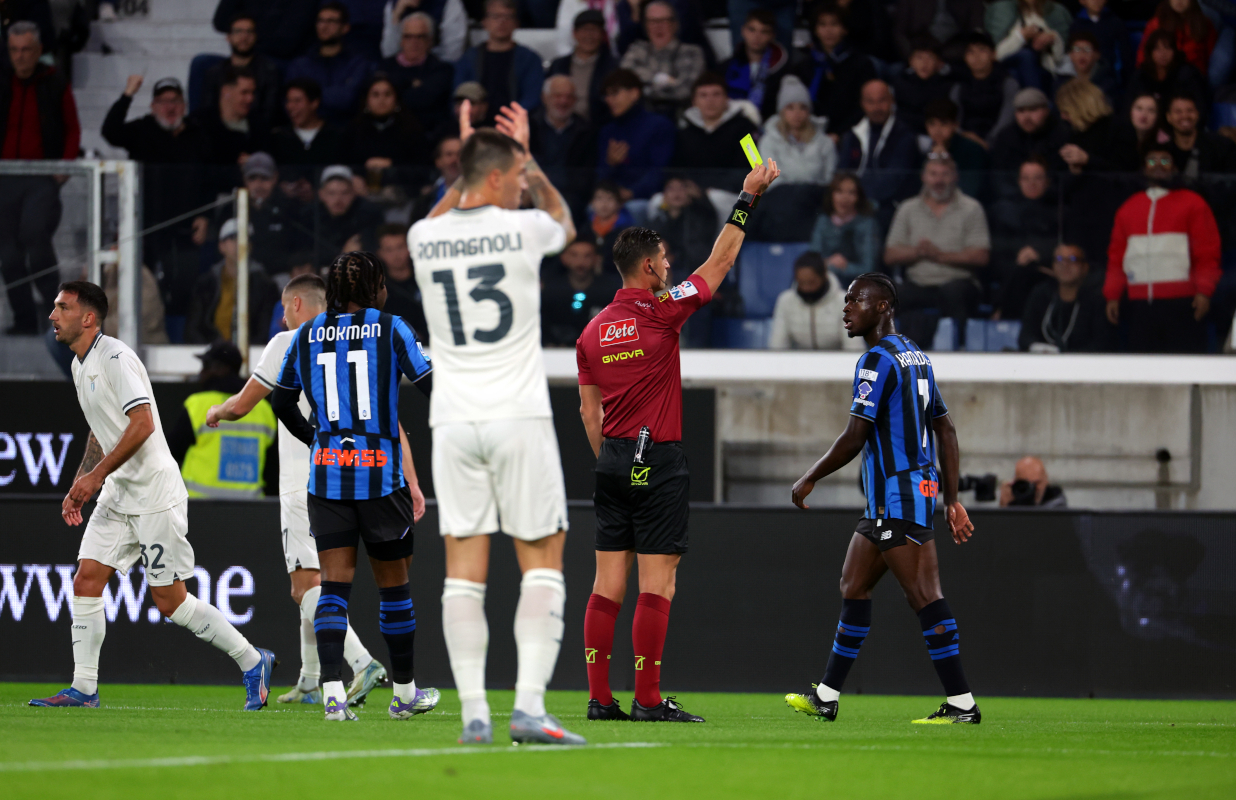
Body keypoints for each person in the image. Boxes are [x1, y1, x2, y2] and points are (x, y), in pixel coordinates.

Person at [578, 159, 781, 723]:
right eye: (665, 260)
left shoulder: (592, 330)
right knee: (658, 584)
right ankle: (646, 700)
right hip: (655, 456)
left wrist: (613, 461)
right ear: (647, 266)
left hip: (613, 458)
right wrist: (746, 196)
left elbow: (587, 411)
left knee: (605, 583)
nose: (670, 266)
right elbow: (721, 262)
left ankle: (599, 700)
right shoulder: (662, 311)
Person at [408, 104, 584, 745]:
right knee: (543, 560)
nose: (517, 186)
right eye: (510, 177)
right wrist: (528, 156)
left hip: (452, 423)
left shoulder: (423, 240)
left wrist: (469, 160)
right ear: (496, 178)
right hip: (518, 416)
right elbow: (566, 222)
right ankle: (529, 709)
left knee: (463, 569)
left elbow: (436, 217)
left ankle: (475, 714)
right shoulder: (525, 229)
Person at [32, 281, 275, 709]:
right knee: (87, 578)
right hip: (119, 491)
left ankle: (252, 659)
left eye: (62, 307)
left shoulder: (117, 358)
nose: (53, 315)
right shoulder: (79, 365)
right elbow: (100, 428)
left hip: (154, 494)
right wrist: (81, 480)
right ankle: (84, 687)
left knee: (170, 601)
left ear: (88, 318)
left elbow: (142, 424)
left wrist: (96, 476)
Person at [205, 274, 406, 708]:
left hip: (303, 482)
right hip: (351, 477)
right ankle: (311, 680)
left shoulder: (289, 341)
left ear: (297, 303)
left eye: (283, 308)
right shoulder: (353, 343)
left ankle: (361, 661)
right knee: (318, 580)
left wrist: (217, 410)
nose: (281, 316)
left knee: (306, 585)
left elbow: (243, 404)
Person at [787, 273, 979, 725]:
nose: (846, 306)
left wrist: (808, 477)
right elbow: (945, 428)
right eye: (848, 299)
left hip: (899, 498)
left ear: (883, 307)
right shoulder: (916, 356)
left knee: (925, 596)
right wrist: (951, 499)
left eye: (857, 299)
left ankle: (962, 704)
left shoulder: (876, 361)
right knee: (853, 585)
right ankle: (828, 696)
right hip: (891, 501)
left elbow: (856, 435)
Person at [270, 251, 439, 723]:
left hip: (327, 477)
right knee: (394, 589)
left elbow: (281, 401)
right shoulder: (390, 327)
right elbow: (432, 387)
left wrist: (316, 437)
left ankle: (331, 693)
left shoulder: (305, 334)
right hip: (381, 479)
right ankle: (404, 694)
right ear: (376, 288)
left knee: (333, 587)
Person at [101, 75, 211, 330]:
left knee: (184, 286)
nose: (169, 107)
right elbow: (110, 131)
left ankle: (178, 339)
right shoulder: (142, 130)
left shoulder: (197, 134)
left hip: (186, 230)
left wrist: (205, 216)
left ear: (184, 104)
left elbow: (209, 179)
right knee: (146, 288)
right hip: (146, 228)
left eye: (174, 101)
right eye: (162, 101)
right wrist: (128, 93)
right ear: (152, 106)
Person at [0, 22, 80, 335]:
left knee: (34, 237)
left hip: (41, 178)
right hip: (4, 177)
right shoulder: (2, 80)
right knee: (7, 255)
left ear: (38, 51)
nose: (20, 57)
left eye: (26, 50)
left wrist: (65, 166)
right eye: (14, 50)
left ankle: (56, 316)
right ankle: (24, 320)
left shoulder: (54, 81)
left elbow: (72, 128)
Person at [1105, 147, 1220, 353]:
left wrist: (1204, 292)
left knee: (1185, 367)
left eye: (1165, 161)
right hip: (1139, 305)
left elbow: (1207, 252)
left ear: (1175, 168)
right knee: (1144, 372)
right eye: (1152, 161)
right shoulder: (1128, 208)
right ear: (1143, 169)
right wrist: (1113, 295)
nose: (1158, 165)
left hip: (1183, 303)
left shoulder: (1193, 203)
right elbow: (1117, 256)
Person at [884, 155, 990, 347]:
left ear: (955, 177)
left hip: (959, 283)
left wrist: (940, 256)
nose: (939, 180)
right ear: (924, 177)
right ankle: (896, 357)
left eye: (945, 174)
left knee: (953, 292)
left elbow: (981, 255)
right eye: (933, 174)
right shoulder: (908, 208)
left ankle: (960, 349)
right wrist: (919, 252)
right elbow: (890, 254)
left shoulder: (971, 208)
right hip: (918, 283)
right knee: (889, 294)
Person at [167, 339, 276, 499]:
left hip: (200, 507)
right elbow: (273, 468)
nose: (201, 373)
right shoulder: (262, 408)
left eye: (206, 366)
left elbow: (171, 451)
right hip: (251, 512)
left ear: (221, 368)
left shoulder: (198, 404)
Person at [836, 79, 921, 232]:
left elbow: (892, 181)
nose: (876, 107)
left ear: (891, 101)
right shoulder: (852, 136)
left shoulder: (905, 136)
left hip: (889, 208)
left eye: (882, 100)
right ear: (862, 103)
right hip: (854, 205)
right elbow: (843, 174)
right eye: (870, 102)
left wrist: (856, 198)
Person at [185, 218, 280, 345]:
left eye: (245, 238)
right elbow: (192, 329)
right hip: (213, 354)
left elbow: (264, 332)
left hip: (250, 355)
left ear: (250, 246)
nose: (239, 243)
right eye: (233, 238)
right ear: (221, 246)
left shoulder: (265, 285)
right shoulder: (206, 283)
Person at [793, 2, 877, 138]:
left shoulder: (861, 64)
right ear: (815, 29)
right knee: (756, 154)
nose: (828, 30)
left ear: (844, 29)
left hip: (847, 136)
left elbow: (862, 107)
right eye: (823, 25)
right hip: (806, 135)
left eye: (834, 24)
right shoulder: (803, 66)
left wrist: (840, 134)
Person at [285, 3, 376, 124]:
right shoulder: (299, 65)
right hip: (305, 129)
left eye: (331, 21)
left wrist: (308, 96)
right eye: (320, 21)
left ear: (345, 27)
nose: (324, 26)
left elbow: (347, 100)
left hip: (345, 130)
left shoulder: (357, 63)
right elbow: (290, 104)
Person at [990, 158, 1057, 320]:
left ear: (1047, 181)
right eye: (1026, 178)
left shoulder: (1060, 210)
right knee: (1021, 273)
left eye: (1037, 178)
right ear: (1018, 181)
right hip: (1012, 272)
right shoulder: (1003, 209)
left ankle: (1000, 311)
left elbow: (1065, 244)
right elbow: (998, 248)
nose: (1031, 183)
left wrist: (1039, 252)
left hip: (1050, 273)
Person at [453, 0, 545, 119]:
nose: (502, 22)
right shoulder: (469, 58)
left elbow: (532, 98)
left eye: (507, 17)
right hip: (476, 125)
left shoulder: (530, 59)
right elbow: (459, 94)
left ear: (516, 23)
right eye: (495, 16)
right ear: (484, 22)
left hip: (515, 125)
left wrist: (510, 120)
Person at [595, 68, 677, 201]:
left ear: (634, 93)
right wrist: (610, 164)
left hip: (648, 199)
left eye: (614, 93)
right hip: (610, 200)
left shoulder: (659, 126)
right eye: (607, 95)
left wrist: (631, 192)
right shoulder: (607, 131)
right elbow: (599, 176)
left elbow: (660, 171)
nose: (609, 100)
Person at [339, 74, 428, 195]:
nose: (382, 100)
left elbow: (422, 170)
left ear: (396, 99)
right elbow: (341, 165)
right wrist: (353, 178)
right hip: (359, 196)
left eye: (387, 94)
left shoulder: (411, 129)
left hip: (401, 196)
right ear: (366, 100)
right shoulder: (353, 130)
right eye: (375, 95)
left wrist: (391, 165)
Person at [673, 73, 759, 193]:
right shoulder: (684, 133)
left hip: (734, 195)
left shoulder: (746, 128)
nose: (710, 100)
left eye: (716, 94)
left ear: (727, 98)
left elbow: (754, 165)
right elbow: (677, 170)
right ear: (694, 101)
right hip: (691, 194)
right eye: (703, 95)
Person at [1019, 244, 1112, 353]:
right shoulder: (1041, 294)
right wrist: (1039, 348)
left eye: (1072, 259)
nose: (1065, 264)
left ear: (1085, 267)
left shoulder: (1095, 300)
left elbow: (1101, 344)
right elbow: (1025, 336)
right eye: (1059, 259)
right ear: (1052, 265)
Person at [619, 1, 705, 117]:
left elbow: (685, 91)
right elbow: (625, 80)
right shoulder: (636, 50)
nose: (658, 26)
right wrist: (662, 79)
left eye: (664, 21)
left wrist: (644, 89)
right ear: (646, 26)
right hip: (642, 119)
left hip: (680, 118)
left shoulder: (691, 52)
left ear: (675, 24)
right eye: (653, 21)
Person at [530, 75, 597, 222]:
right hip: (533, 194)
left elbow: (587, 174)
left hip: (571, 197)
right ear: (544, 97)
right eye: (557, 96)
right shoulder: (530, 126)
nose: (563, 101)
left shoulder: (587, 131)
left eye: (569, 97)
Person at [201, 14, 282, 133]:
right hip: (218, 136)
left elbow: (269, 115)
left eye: (249, 32)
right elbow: (206, 113)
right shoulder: (213, 73)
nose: (244, 37)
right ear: (228, 37)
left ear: (255, 36)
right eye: (238, 31)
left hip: (255, 136)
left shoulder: (270, 71)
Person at [379, 12, 455, 135]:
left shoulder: (441, 69)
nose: (414, 42)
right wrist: (411, 83)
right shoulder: (385, 67)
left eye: (420, 37)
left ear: (430, 41)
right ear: (401, 40)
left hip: (426, 134)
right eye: (408, 36)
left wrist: (394, 91)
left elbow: (424, 99)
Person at [769, 250, 859, 351]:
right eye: (801, 283)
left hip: (837, 363)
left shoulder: (844, 302)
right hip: (798, 363)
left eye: (811, 282)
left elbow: (854, 347)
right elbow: (777, 347)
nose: (806, 288)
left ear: (824, 276)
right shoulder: (785, 301)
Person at [758, 75, 836, 186]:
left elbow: (830, 178)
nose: (797, 113)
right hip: (780, 198)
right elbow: (770, 180)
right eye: (790, 107)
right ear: (782, 111)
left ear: (809, 111)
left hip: (817, 198)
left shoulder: (825, 142)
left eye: (803, 107)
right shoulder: (768, 142)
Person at [541, 238, 620, 346]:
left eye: (587, 256)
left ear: (596, 259)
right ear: (564, 258)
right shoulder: (549, 291)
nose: (580, 261)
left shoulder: (610, 292)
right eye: (574, 255)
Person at [548, 9, 620, 126]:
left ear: (602, 35)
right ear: (574, 33)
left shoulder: (612, 66)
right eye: (584, 30)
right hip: (563, 127)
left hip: (598, 128)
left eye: (594, 30)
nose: (589, 35)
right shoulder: (558, 65)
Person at [192, 66, 264, 181]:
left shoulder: (258, 125)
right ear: (226, 91)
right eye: (244, 92)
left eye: (252, 93)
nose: (250, 99)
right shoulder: (200, 123)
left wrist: (255, 162)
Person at [949, 30, 1018, 144]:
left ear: (993, 54)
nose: (976, 56)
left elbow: (1007, 119)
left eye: (982, 50)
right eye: (970, 52)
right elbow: (954, 120)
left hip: (999, 141)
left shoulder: (1007, 83)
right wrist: (966, 137)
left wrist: (988, 141)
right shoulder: (959, 86)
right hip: (966, 141)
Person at [721, 9, 790, 121]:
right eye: (752, 30)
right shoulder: (725, 68)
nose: (757, 36)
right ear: (743, 31)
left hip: (771, 129)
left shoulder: (783, 71)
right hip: (734, 129)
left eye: (764, 32)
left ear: (772, 36)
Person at [809, 172, 878, 284]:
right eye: (839, 191)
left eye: (851, 193)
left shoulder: (867, 225)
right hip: (824, 283)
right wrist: (828, 263)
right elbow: (812, 260)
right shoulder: (823, 221)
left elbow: (868, 269)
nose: (844, 198)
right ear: (831, 195)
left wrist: (840, 266)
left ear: (858, 197)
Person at [269, 79, 346, 180]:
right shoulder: (278, 137)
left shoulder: (337, 136)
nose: (290, 106)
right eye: (289, 101)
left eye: (297, 101)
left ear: (314, 103)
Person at [986, 0, 1071, 90]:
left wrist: (1053, 39)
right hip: (1012, 72)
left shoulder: (1050, 14)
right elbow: (997, 55)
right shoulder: (1007, 12)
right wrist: (1021, 36)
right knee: (1026, 56)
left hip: (1046, 71)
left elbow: (1059, 58)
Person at [989, 87, 1071, 179]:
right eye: (1021, 111)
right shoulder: (1005, 137)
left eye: (1033, 109)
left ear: (1046, 110)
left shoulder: (1062, 134)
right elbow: (999, 177)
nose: (1026, 117)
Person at [311, 165, 384, 263]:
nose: (338, 200)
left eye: (344, 193)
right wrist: (343, 254)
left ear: (353, 193)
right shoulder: (309, 216)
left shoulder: (368, 214)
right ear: (321, 194)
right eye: (332, 193)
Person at [1124, 29, 1206, 111]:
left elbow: (1200, 106)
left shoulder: (1187, 74)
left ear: (1174, 50)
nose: (1163, 53)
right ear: (1150, 52)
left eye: (1167, 48)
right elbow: (1129, 106)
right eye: (1157, 49)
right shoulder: (1140, 76)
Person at [212, 0, 317, 63]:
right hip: (245, 58)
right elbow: (220, 22)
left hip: (280, 60)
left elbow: (286, 43)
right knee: (201, 62)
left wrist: (248, 38)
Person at [924, 98, 988, 200]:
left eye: (943, 123)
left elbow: (971, 189)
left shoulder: (973, 150)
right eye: (932, 124)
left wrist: (945, 159)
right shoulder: (924, 151)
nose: (937, 130)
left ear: (955, 125)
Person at [1163, 94, 1236, 180]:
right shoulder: (1163, 150)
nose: (1185, 116)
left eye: (1190, 110)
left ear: (1197, 114)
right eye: (1178, 112)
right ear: (1169, 117)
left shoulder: (1223, 146)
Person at [1137, 0, 1216, 77]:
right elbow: (1143, 57)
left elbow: (1211, 57)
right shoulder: (1156, 24)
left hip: (1193, 80)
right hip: (1161, 79)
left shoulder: (1204, 24)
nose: (1179, 1)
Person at [891, 38, 955, 135]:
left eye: (930, 57)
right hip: (906, 134)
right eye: (919, 57)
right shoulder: (901, 83)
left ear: (939, 63)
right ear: (911, 61)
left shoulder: (947, 86)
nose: (924, 63)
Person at [375, 224, 428, 338]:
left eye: (400, 247)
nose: (396, 254)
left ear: (410, 248)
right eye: (389, 249)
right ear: (380, 254)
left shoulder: (425, 280)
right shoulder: (375, 289)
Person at [892, 0, 985, 63]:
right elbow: (900, 33)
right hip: (919, 50)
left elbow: (976, 30)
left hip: (956, 51)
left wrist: (972, 53)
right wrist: (912, 57)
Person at [379, 0, 468, 63]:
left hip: (436, 67)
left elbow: (453, 54)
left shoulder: (449, 3)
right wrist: (396, 16)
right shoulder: (395, 4)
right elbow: (389, 52)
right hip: (401, 67)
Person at [1069, 0, 1134, 83]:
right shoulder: (1076, 26)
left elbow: (1126, 58)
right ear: (1082, 1)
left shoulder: (1116, 23)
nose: (1097, 1)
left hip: (1110, 80)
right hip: (1083, 79)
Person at [1055, 29, 1120, 104]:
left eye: (1087, 49)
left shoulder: (1108, 84)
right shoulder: (1060, 83)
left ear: (1097, 55)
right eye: (1077, 49)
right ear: (1070, 54)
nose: (1082, 53)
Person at [410, 136, 462, 223]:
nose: (454, 160)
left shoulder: (480, 195)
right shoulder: (426, 199)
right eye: (449, 154)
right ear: (438, 161)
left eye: (459, 154)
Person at [588, 182, 636, 269]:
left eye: (610, 199)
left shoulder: (627, 230)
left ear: (619, 203)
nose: (604, 204)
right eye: (599, 198)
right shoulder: (587, 226)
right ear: (592, 203)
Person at [998, 455, 1067, 506]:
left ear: (1046, 480)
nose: (1033, 489)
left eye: (1037, 483)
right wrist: (1005, 506)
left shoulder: (1055, 501)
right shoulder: (1013, 498)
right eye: (1026, 484)